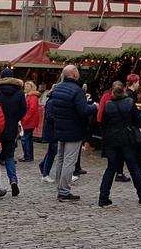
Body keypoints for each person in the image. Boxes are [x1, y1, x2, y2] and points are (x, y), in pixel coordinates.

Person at [46, 64, 98, 202]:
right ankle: (64, 191)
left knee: (61, 158)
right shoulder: (77, 90)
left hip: (60, 127)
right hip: (73, 129)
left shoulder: (58, 88)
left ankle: (60, 185)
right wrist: (93, 106)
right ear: (74, 74)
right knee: (69, 160)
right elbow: (83, 111)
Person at [98, 81, 141, 207]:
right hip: (127, 138)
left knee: (110, 169)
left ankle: (103, 197)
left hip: (112, 139)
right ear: (123, 90)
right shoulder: (129, 103)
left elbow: (103, 123)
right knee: (134, 168)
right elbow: (138, 119)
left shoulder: (109, 105)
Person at [0, 68, 26, 196]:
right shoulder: (19, 93)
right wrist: (15, 119)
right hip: (11, 127)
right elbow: (23, 110)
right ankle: (13, 181)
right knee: (9, 156)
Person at [21, 80, 41, 162]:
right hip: (29, 120)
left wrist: (25, 119)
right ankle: (29, 156)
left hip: (29, 121)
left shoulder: (32, 97)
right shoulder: (28, 96)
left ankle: (27, 156)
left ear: (32, 88)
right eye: (25, 86)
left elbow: (32, 109)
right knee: (28, 139)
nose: (26, 88)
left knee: (25, 139)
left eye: (28, 86)